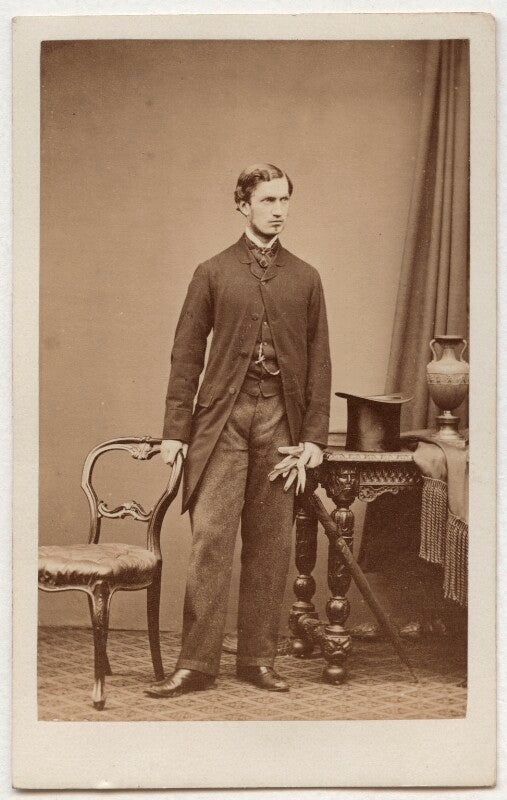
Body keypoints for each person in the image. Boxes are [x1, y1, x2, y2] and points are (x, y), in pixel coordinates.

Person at [146, 163, 331, 698]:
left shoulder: (306, 277)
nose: (278, 210)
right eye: (268, 200)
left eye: (284, 200)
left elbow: (320, 361)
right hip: (221, 423)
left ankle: (257, 659)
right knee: (210, 542)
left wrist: (314, 438)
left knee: (270, 545)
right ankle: (196, 664)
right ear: (243, 204)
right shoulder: (212, 272)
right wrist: (175, 431)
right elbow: (186, 354)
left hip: (281, 424)